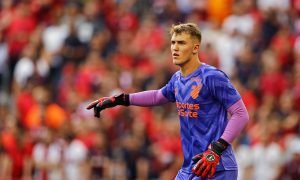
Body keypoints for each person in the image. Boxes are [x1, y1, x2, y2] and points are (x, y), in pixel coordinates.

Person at [86, 23, 249, 180]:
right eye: (173, 43)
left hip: (217, 167)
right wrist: (120, 99)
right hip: (191, 167)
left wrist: (216, 150)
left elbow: (241, 114)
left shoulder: (212, 77)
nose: (175, 48)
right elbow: (157, 96)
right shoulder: (177, 79)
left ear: (195, 48)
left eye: (181, 43)